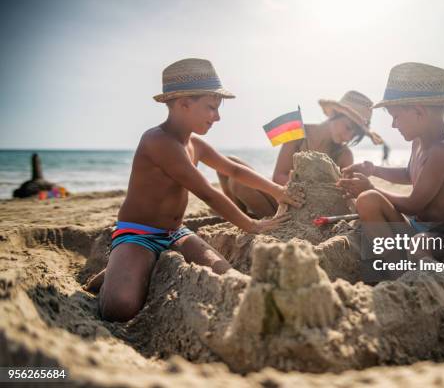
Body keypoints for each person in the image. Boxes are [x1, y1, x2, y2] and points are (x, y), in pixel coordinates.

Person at [90, 58, 304, 322]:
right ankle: (119, 266)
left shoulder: (195, 144)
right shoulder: (158, 141)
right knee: (120, 308)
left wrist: (276, 191)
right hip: (138, 234)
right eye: (211, 108)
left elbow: (233, 170)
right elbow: (207, 192)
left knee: (228, 275)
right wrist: (251, 225)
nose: (218, 116)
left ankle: (134, 266)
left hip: (175, 233)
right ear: (183, 105)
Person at [337, 62, 444, 261]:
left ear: (419, 112)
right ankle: (394, 266)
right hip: (419, 227)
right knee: (367, 200)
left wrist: (370, 186)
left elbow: (413, 205)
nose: (393, 125)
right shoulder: (418, 141)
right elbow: (410, 174)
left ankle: (402, 272)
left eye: (396, 117)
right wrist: (373, 169)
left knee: (418, 247)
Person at [218, 90, 384, 218]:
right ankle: (240, 216)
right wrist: (294, 181)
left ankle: (266, 220)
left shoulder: (344, 154)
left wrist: (305, 184)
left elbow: (342, 195)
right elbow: (278, 176)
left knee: (238, 184)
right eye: (348, 128)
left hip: (304, 208)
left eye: (354, 135)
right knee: (227, 163)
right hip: (284, 193)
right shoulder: (297, 132)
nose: (348, 137)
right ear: (333, 114)